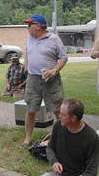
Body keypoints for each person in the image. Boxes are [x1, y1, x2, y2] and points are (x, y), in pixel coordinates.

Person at [21, 98, 99, 176]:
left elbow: (92, 171)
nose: (59, 116)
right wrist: (54, 162)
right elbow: (50, 148)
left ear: (73, 118)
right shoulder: (58, 126)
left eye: (63, 115)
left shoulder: (91, 136)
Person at [21, 14, 68, 148]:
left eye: (29, 25)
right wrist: (26, 68)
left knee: (57, 110)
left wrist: (54, 70)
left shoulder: (54, 39)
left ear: (38, 26)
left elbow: (63, 58)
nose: (27, 28)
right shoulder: (30, 38)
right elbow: (27, 52)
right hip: (33, 79)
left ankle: (62, 138)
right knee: (30, 109)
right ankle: (27, 139)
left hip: (51, 80)